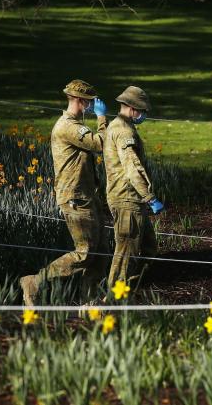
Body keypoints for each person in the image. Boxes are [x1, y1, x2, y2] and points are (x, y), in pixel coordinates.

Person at [20, 79, 109, 305]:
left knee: (101, 252)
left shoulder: (74, 124)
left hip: (86, 194)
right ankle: (35, 282)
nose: (91, 106)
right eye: (89, 103)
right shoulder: (68, 127)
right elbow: (100, 144)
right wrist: (102, 118)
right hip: (75, 197)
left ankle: (90, 299)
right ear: (80, 101)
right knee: (85, 252)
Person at [103, 86, 164, 289]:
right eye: (142, 111)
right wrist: (149, 197)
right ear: (131, 108)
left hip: (130, 197)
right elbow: (132, 167)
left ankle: (132, 289)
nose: (144, 114)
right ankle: (113, 299)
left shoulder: (118, 126)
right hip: (126, 197)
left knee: (148, 247)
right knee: (126, 253)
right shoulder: (124, 131)